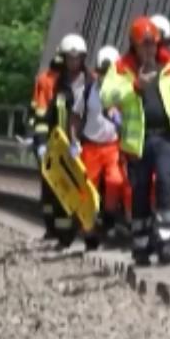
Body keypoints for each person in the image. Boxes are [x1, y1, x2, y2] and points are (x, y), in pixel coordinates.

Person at [102, 17, 170, 266]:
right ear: (133, 45)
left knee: (167, 182)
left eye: (152, 44)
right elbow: (106, 95)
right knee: (140, 192)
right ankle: (141, 245)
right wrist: (134, 86)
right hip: (138, 142)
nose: (149, 49)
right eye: (143, 44)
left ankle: (166, 244)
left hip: (167, 138)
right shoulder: (122, 68)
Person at [30, 34, 90, 247]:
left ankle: (83, 231)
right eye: (69, 58)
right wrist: (41, 143)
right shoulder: (56, 86)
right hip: (59, 147)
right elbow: (43, 117)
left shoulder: (90, 83)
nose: (73, 62)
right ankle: (61, 235)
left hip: (84, 146)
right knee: (56, 192)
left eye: (77, 58)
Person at [73, 45, 129, 250]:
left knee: (115, 181)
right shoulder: (87, 91)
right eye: (103, 71)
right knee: (87, 189)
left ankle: (109, 218)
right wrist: (73, 141)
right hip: (90, 146)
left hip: (112, 146)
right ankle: (88, 230)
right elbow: (76, 117)